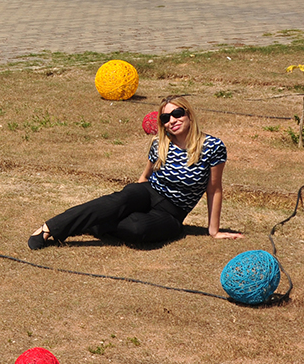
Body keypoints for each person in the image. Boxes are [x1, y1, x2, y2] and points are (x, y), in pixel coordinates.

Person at [29, 95, 243, 249]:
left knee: (137, 228)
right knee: (117, 201)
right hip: (148, 192)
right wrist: (131, 200)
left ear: (189, 115)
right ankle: (49, 228)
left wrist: (213, 231)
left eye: (177, 114)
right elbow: (145, 176)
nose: (172, 121)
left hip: (172, 212)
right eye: (165, 118)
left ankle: (96, 224)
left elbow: (214, 189)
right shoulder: (160, 143)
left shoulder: (212, 146)